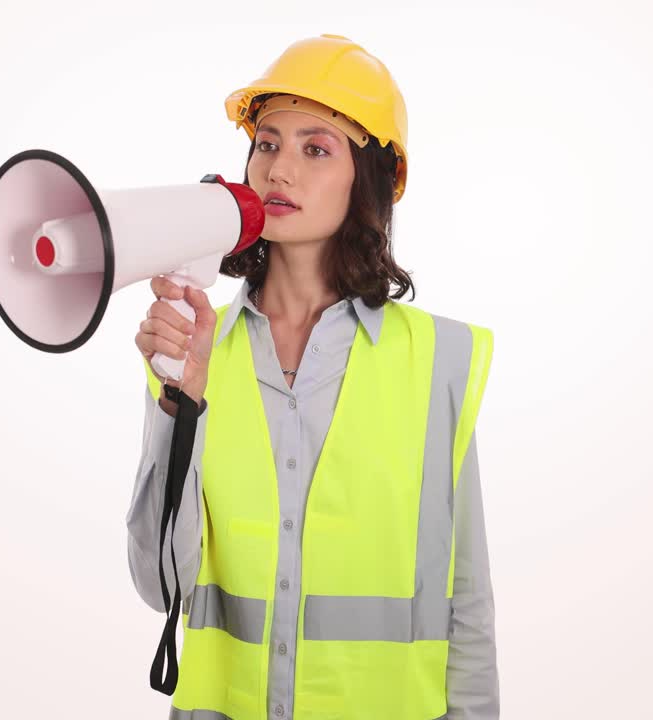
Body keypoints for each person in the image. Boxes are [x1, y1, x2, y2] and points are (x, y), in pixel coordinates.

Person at [128, 34, 498, 720]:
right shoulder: (197, 352)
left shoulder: (438, 361)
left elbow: (466, 606)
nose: (279, 171)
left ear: (372, 180)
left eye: (315, 148)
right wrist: (181, 402)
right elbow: (159, 585)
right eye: (266, 143)